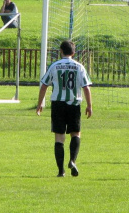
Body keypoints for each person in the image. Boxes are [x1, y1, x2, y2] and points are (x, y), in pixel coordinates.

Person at [37, 40, 93, 177]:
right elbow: (86, 87)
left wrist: (40, 104)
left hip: (58, 104)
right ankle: (73, 160)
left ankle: (61, 171)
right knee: (75, 133)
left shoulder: (55, 66)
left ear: (60, 51)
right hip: (74, 104)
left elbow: (44, 85)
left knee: (59, 137)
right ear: (73, 53)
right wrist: (89, 105)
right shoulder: (79, 67)